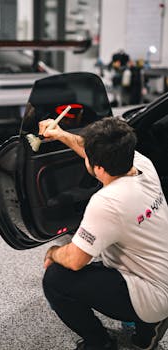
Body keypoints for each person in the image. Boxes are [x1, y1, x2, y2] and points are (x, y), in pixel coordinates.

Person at [38, 116, 168, 350]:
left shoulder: (107, 202)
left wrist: (54, 252)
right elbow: (92, 150)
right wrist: (60, 134)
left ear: (97, 167)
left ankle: (100, 343)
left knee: (56, 278)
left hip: (152, 295)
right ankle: (148, 328)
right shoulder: (142, 165)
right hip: (163, 276)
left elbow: (76, 260)